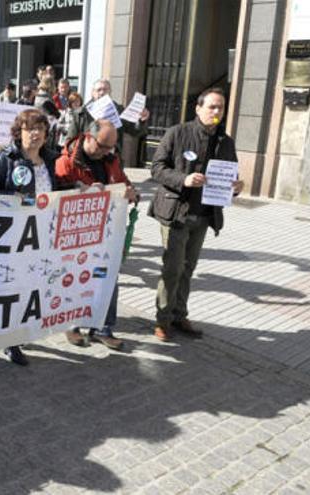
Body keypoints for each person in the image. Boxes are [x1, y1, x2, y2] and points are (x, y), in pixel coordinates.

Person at [149, 87, 244, 341]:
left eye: (221, 108)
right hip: (176, 212)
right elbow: (157, 168)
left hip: (203, 216)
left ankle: (179, 315)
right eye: (212, 106)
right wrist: (184, 179)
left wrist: (236, 187)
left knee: (188, 268)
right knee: (173, 267)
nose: (216, 112)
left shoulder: (226, 141)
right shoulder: (177, 133)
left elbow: (230, 175)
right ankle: (163, 319)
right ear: (198, 108)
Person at [0, 109, 62, 366]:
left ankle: (22, 330)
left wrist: (82, 189)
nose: (35, 134)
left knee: (31, 286)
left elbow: (62, 191)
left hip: (41, 236)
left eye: (40, 128)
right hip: (11, 238)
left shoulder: (51, 159)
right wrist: (6, 198)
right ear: (19, 132)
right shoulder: (4, 158)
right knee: (12, 287)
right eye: (29, 128)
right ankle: (10, 340)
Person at [56, 120, 139, 350]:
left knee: (107, 277)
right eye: (102, 145)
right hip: (76, 235)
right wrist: (78, 190)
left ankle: (102, 327)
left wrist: (132, 193)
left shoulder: (111, 161)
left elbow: (125, 184)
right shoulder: (67, 161)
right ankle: (72, 324)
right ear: (88, 137)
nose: (106, 151)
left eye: (110, 147)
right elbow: (55, 194)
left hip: (106, 234)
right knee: (74, 277)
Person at [63, 78, 150, 154]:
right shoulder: (81, 113)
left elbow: (134, 131)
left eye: (105, 90)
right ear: (93, 93)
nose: (102, 93)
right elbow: (69, 141)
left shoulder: (119, 110)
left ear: (110, 92)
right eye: (99, 90)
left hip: (111, 162)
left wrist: (141, 120)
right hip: (87, 162)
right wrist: (87, 146)